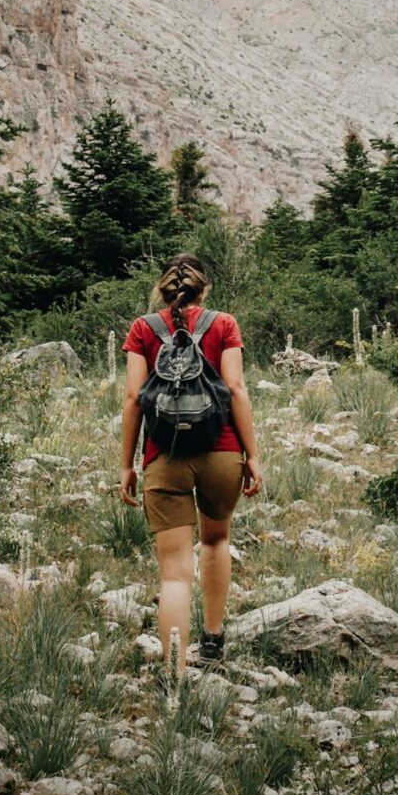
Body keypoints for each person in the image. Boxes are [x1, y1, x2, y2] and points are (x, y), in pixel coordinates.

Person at [119, 253, 263, 671]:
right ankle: (214, 642)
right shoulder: (223, 324)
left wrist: (127, 464)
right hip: (222, 453)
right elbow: (236, 388)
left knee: (174, 574)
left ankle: (175, 671)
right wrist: (252, 455)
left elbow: (132, 399)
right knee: (216, 541)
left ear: (163, 290)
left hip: (164, 457)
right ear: (205, 290)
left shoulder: (143, 329)